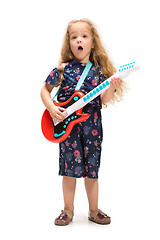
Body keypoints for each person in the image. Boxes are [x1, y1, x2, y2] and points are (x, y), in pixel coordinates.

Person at [41, 19, 126, 226]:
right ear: (69, 42)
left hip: (92, 126)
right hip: (67, 128)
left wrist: (112, 86)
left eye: (84, 36)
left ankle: (94, 210)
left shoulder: (100, 72)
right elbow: (45, 90)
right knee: (69, 171)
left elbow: (103, 100)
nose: (79, 40)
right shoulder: (62, 69)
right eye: (74, 37)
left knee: (92, 170)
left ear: (92, 42)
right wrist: (52, 108)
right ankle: (67, 210)